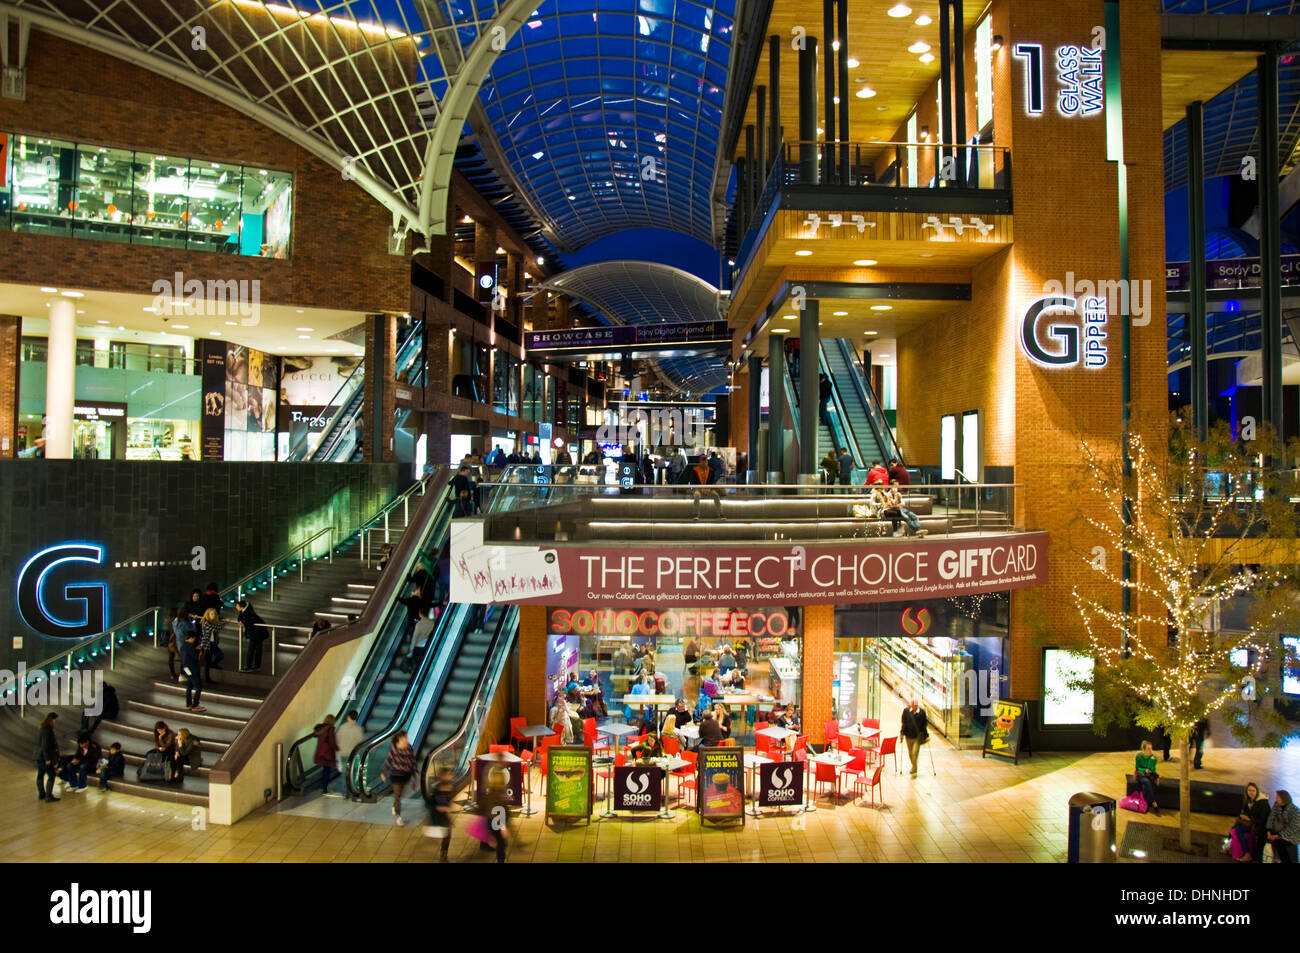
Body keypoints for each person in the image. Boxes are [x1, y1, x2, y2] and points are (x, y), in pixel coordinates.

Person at [382, 731, 418, 826]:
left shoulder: (409, 747)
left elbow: (412, 760)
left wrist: (415, 772)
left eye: (406, 738)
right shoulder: (394, 749)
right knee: (398, 796)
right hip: (396, 775)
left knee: (400, 794)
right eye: (404, 738)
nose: (406, 739)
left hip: (406, 775)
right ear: (399, 739)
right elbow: (388, 761)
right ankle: (398, 817)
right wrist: (384, 773)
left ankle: (395, 805)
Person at [478, 765, 510, 862]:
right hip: (497, 822)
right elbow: (503, 810)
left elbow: (483, 808)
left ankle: (486, 844)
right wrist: (504, 826)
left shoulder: (489, 792)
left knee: (499, 842)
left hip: (490, 821)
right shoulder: (500, 793)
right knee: (501, 845)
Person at [428, 765, 455, 861]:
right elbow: (431, 804)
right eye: (448, 775)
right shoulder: (437, 790)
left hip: (444, 816)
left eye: (450, 775)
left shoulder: (450, 788)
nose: (450, 777)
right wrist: (439, 808)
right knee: (446, 833)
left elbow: (448, 802)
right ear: (442, 777)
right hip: (438, 816)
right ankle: (443, 854)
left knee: (448, 834)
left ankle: (444, 853)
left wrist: (447, 808)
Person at [1266, 789, 1300, 863]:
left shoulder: (1295, 810)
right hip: (1280, 831)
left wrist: (1278, 835)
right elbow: (1271, 817)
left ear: (1283, 798)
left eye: (1277, 797)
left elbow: (1293, 827)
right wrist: (1268, 830)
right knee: (1274, 841)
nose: (1276, 799)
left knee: (1278, 842)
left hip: (1292, 835)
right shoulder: (1276, 805)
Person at [1243, 782, 1272, 863]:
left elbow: (1263, 819)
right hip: (1255, 825)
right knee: (1235, 829)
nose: (1251, 792)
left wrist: (1249, 820)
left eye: (1253, 790)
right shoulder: (1249, 801)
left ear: (1257, 791)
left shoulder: (1263, 802)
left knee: (1258, 846)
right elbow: (1245, 812)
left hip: (1263, 828)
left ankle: (1252, 856)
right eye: (1249, 790)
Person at [236, 598, 268, 672]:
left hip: (257, 633)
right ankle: (256, 666)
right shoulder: (244, 611)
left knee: (252, 649)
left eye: (237, 606)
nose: (236, 607)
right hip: (256, 633)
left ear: (241, 607)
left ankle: (248, 666)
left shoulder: (249, 612)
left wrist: (243, 623)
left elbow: (250, 622)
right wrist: (240, 621)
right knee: (257, 649)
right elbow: (240, 617)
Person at [900, 698, 928, 778]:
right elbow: (904, 723)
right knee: (910, 753)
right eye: (913, 705)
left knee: (914, 753)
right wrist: (902, 733)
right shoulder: (906, 712)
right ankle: (914, 766)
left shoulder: (922, 713)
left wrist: (926, 736)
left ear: (917, 705)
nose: (914, 707)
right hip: (908, 736)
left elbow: (924, 725)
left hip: (917, 738)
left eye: (915, 705)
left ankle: (914, 768)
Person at [404, 606, 437, 674]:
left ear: (420, 614)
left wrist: (411, 648)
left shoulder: (419, 623)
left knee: (416, 661)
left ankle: (416, 673)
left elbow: (415, 637)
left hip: (418, 646)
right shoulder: (432, 623)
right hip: (426, 645)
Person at [313, 715, 340, 794]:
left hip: (320, 752)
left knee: (325, 770)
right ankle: (324, 788)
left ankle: (323, 786)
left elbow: (315, 735)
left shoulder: (319, 728)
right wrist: (338, 748)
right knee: (327, 770)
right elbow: (331, 743)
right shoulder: (330, 729)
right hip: (327, 753)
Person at [180, 628, 205, 712]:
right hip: (192, 668)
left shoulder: (183, 645)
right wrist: (199, 652)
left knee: (189, 686)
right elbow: (196, 658)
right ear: (191, 638)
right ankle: (195, 705)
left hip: (186, 668)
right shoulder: (191, 646)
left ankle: (188, 704)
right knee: (198, 687)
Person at [1134, 740, 1160, 813]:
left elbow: (1152, 769)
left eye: (1151, 748)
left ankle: (1145, 803)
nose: (1150, 750)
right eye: (1148, 748)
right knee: (1145, 781)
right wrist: (1145, 770)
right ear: (1144, 749)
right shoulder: (1139, 756)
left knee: (1145, 785)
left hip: (1150, 775)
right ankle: (1153, 802)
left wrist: (1151, 761)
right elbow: (1137, 767)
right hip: (1141, 774)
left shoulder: (1153, 757)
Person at [200, 607, 224, 685]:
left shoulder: (213, 622)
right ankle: (207, 678)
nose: (213, 615)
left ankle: (213, 664)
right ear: (208, 615)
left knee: (220, 655)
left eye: (214, 614)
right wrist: (224, 622)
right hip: (207, 645)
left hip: (213, 644)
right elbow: (217, 628)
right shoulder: (206, 623)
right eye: (212, 614)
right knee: (207, 662)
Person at [335, 709, 363, 775]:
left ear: (348, 717)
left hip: (342, 754)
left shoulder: (342, 727)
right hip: (352, 755)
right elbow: (360, 743)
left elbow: (336, 740)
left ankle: (343, 783)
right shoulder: (358, 729)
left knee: (343, 773)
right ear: (356, 717)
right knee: (352, 773)